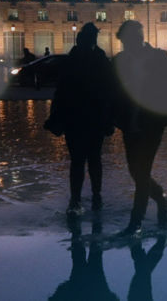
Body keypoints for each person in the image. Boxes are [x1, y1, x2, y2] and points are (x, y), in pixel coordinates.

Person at [111, 20, 167, 234]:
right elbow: (111, 90)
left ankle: (135, 223)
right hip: (130, 122)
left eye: (133, 39)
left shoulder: (158, 58)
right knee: (135, 171)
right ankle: (162, 199)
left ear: (140, 38)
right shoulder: (120, 61)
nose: (129, 44)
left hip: (152, 121)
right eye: (126, 41)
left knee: (142, 171)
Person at [42, 23, 116, 214]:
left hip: (75, 117)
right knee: (94, 159)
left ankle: (76, 199)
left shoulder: (72, 60)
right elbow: (110, 91)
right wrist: (110, 118)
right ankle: (96, 195)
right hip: (94, 117)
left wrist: (56, 117)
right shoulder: (101, 60)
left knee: (77, 161)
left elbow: (61, 91)